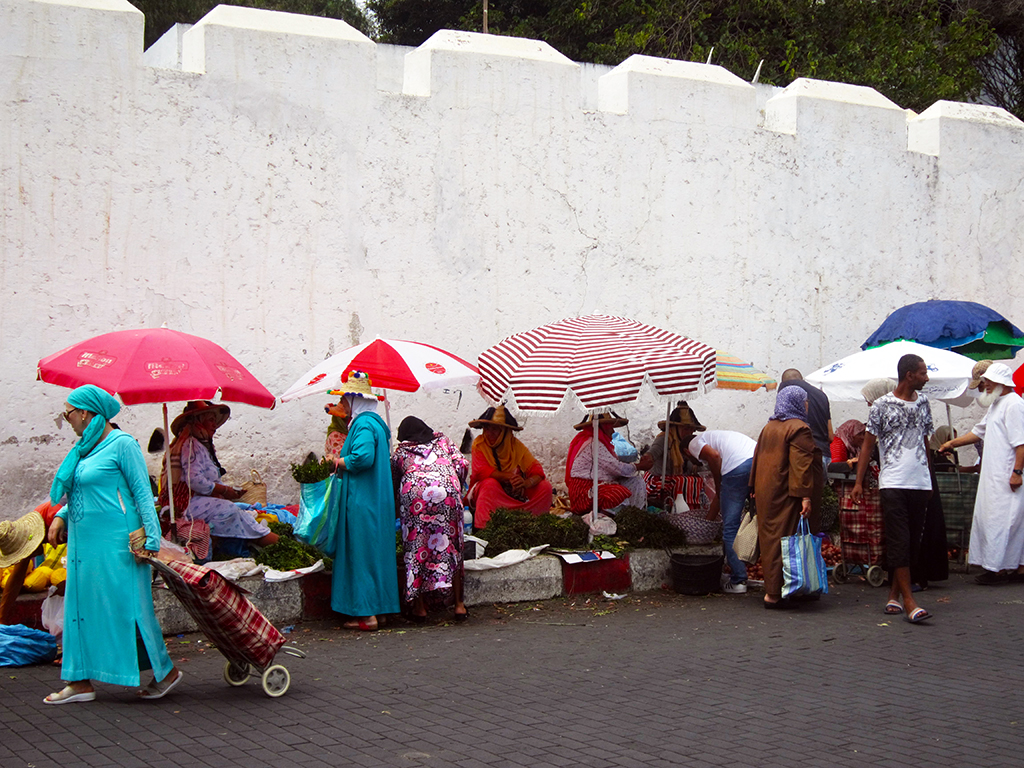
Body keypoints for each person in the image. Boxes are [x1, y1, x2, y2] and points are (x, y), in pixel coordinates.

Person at [43, 385, 181, 704]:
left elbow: (143, 493)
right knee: (81, 608)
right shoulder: (84, 449)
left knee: (131, 607)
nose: (69, 420)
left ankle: (166, 672)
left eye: (69, 414)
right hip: (85, 544)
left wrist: (150, 537)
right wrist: (62, 515)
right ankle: (79, 681)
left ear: (87, 413)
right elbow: (81, 490)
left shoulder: (122, 445)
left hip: (119, 543)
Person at [852, 354, 934, 624]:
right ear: (909, 375)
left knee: (912, 542)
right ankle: (910, 602)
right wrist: (859, 482)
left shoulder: (923, 402)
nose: (926, 377)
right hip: (894, 482)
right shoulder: (881, 406)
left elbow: (925, 442)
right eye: (923, 373)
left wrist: (929, 478)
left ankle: (893, 596)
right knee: (900, 539)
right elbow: (867, 445)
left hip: (919, 481)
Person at [324, 371, 400, 631]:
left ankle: (366, 615)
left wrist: (336, 462)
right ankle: (380, 609)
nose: (343, 406)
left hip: (362, 502)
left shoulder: (364, 425)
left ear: (356, 401)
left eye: (346, 401)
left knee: (361, 555)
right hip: (376, 501)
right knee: (376, 554)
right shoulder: (376, 423)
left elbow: (362, 458)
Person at [939, 363, 1024, 585]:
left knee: (1005, 521)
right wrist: (951, 443)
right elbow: (978, 432)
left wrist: (1017, 472)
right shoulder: (998, 404)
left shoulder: (1014, 405)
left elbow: (1021, 444)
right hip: (994, 475)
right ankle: (1000, 567)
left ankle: (1000, 569)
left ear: (1000, 383)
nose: (984, 385)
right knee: (994, 519)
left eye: (987, 382)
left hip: (1007, 475)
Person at [159, 401, 277, 548]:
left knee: (242, 511)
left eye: (215, 421)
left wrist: (227, 491)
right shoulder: (190, 445)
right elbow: (195, 481)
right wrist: (224, 491)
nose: (214, 425)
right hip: (186, 504)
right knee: (230, 510)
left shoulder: (201, 445)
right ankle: (270, 541)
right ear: (198, 421)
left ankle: (266, 539)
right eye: (210, 420)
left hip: (197, 501)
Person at [750, 386, 823, 608]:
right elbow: (800, 465)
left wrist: (752, 486)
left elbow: (757, 457)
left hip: (767, 492)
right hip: (787, 493)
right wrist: (805, 497)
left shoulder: (769, 427)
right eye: (805, 401)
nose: (807, 405)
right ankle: (775, 593)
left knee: (772, 540)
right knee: (788, 540)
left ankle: (788, 588)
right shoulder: (799, 428)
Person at [391, 416, 469, 622]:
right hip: (448, 494)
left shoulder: (400, 452)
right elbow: (462, 464)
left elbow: (394, 486)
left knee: (417, 548)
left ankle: (420, 608)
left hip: (416, 498)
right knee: (452, 546)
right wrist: (452, 485)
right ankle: (459, 606)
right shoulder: (444, 442)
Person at [678, 415, 756, 594]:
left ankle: (738, 581)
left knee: (730, 528)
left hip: (736, 468)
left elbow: (714, 456)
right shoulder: (718, 437)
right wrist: (709, 520)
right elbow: (719, 499)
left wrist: (719, 481)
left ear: (687, 452)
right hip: (756, 462)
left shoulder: (693, 443)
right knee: (758, 520)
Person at [466, 406, 554, 529]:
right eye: (487, 428)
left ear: (505, 432)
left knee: (545, 487)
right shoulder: (479, 444)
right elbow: (481, 471)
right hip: (491, 495)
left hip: (515, 494)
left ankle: (534, 522)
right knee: (489, 484)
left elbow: (537, 471)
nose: (490, 433)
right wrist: (509, 476)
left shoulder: (516, 446)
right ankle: (485, 527)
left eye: (495, 429)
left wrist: (525, 483)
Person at [565, 411, 647, 515]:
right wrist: (639, 466)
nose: (612, 431)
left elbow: (612, 464)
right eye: (609, 427)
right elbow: (616, 468)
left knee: (636, 482)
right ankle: (608, 522)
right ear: (601, 427)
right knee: (617, 494)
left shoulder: (599, 442)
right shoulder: (593, 444)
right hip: (584, 491)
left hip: (599, 484)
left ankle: (634, 515)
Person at [636, 402, 707, 507]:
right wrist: (647, 459)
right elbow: (652, 453)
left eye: (692, 429)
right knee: (683, 482)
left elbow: (696, 466)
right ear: (674, 427)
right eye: (686, 429)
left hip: (678, 482)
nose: (689, 432)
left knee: (702, 481)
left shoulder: (690, 442)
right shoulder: (664, 439)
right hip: (659, 483)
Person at [779, 369, 834, 468]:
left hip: (800, 456)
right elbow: (830, 436)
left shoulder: (786, 391)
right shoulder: (822, 395)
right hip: (823, 455)